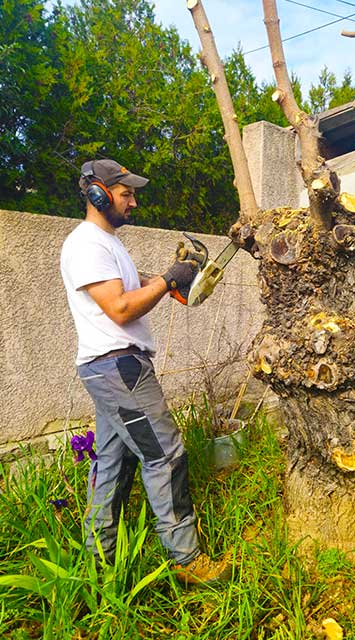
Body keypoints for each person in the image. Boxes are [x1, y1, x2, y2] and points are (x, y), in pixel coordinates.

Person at [60, 158, 230, 586]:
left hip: (109, 369)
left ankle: (98, 564)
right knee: (166, 455)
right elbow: (119, 308)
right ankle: (187, 560)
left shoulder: (109, 244)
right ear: (97, 192)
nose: (134, 201)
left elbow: (142, 287)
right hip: (119, 366)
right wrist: (169, 277)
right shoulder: (86, 245)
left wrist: (182, 277)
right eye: (126, 193)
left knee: (112, 465)